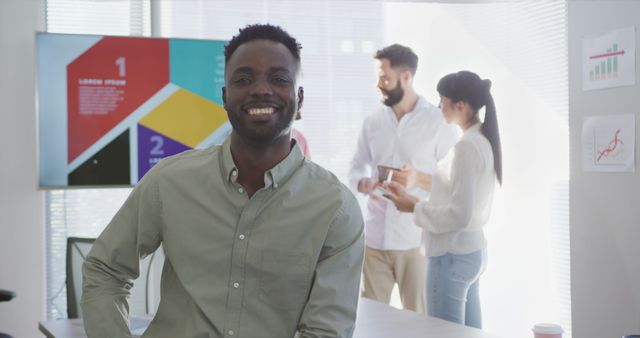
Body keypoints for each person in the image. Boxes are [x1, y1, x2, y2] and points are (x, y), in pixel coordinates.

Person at [81, 24, 365, 338]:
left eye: (279, 79)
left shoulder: (335, 208)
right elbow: (105, 269)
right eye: (244, 79)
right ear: (225, 97)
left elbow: (326, 331)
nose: (261, 89)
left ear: (299, 98)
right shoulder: (170, 181)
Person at [384, 70, 502, 329]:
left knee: (443, 334)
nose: (438, 107)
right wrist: (413, 200)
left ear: (459, 106)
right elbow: (457, 201)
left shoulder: (466, 148)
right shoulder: (482, 140)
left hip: (452, 255)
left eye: (442, 101)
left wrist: (413, 207)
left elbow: (459, 214)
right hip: (471, 253)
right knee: (469, 333)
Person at [348, 44, 458, 313]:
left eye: (385, 78)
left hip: (415, 242)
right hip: (374, 241)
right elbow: (355, 169)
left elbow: (454, 184)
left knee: (419, 321)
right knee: (371, 321)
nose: (379, 84)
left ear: (406, 77)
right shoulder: (372, 122)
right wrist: (365, 184)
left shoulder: (438, 121)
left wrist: (417, 179)